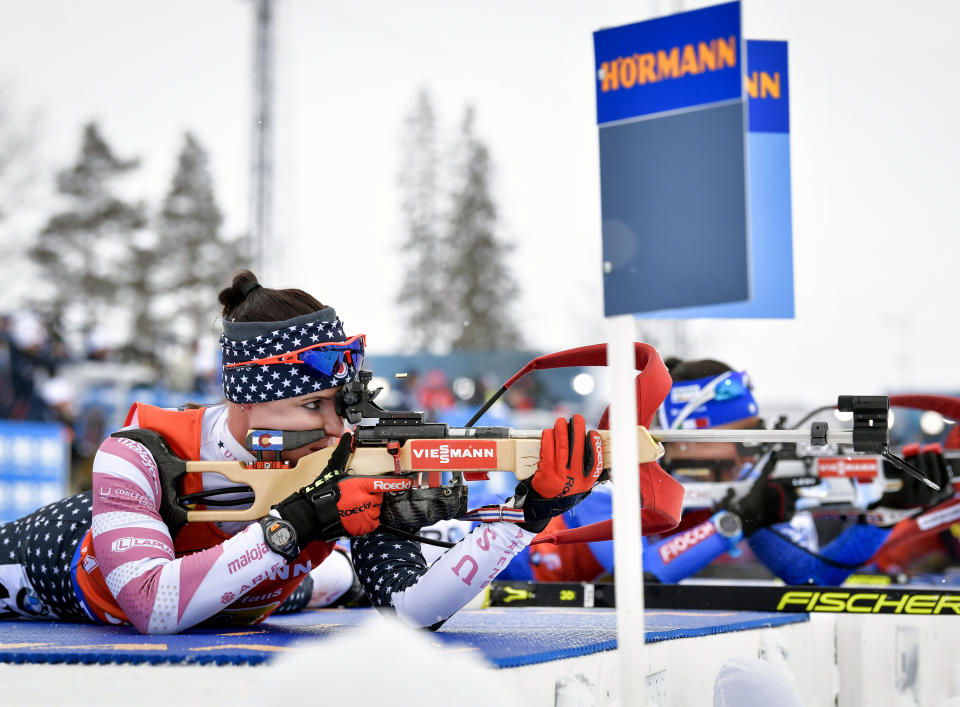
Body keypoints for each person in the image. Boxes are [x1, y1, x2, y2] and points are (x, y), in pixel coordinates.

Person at [0, 271, 604, 632]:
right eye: (312, 406)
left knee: (336, 582)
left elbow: (415, 610)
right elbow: (151, 605)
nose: (336, 429)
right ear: (246, 402)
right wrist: (297, 524)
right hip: (43, 570)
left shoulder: (350, 450)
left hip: (258, 597)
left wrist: (525, 515)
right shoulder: (139, 455)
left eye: (340, 406)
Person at [527, 358, 953, 586]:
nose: (750, 451)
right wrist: (735, 522)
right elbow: (631, 582)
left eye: (754, 435)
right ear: (679, 438)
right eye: (736, 436)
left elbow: (813, 576)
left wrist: (884, 512)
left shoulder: (746, 487)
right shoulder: (612, 478)